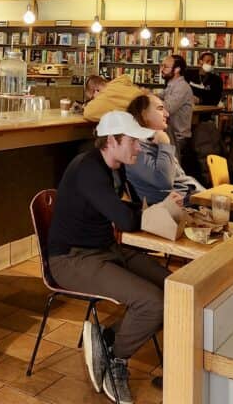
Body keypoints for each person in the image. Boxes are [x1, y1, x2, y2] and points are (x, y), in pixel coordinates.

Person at [48, 111, 181, 404]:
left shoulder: (115, 166)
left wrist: (156, 208)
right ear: (111, 141)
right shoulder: (89, 169)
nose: (138, 148)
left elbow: (129, 210)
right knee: (153, 302)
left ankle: (107, 339)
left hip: (104, 249)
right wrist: (153, 212)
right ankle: (116, 361)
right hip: (72, 259)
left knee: (176, 289)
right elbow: (125, 218)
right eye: (133, 142)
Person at [125, 93, 204, 205]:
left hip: (191, 199)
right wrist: (165, 144)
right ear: (144, 114)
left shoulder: (153, 141)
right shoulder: (137, 147)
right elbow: (164, 182)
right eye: (160, 109)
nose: (166, 114)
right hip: (178, 210)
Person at [160, 54, 196, 175]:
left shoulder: (181, 87)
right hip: (170, 135)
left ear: (177, 70)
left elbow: (167, 109)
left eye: (166, 67)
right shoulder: (171, 85)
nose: (162, 69)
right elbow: (159, 97)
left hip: (178, 138)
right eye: (162, 66)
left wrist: (151, 100)